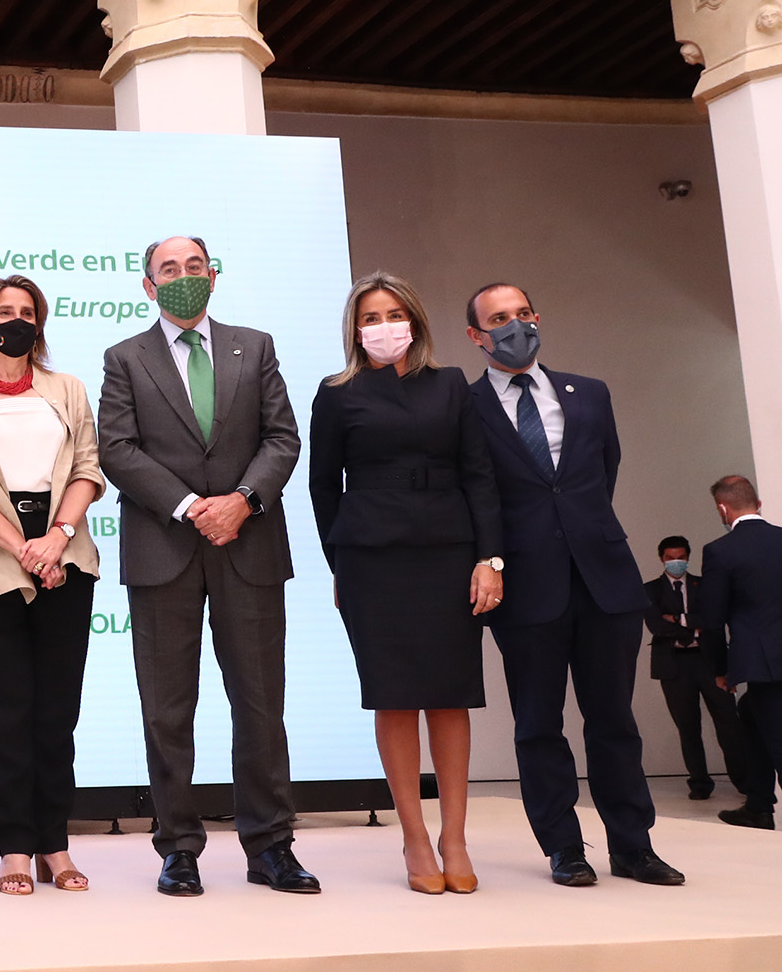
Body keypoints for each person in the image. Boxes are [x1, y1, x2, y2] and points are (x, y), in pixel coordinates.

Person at [96, 235, 315, 898]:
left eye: (195, 266)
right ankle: (179, 847)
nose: (184, 276)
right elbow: (117, 450)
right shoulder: (124, 358)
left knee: (259, 703)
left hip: (248, 545)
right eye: (169, 269)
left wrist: (243, 502)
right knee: (166, 710)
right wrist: (192, 505)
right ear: (148, 284)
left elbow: (283, 437)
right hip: (164, 549)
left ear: (213, 276)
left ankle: (271, 844)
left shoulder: (257, 345)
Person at [464, 283, 682, 886]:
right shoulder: (467, 405)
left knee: (614, 719)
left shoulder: (590, 393)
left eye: (522, 314)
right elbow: (475, 493)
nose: (515, 325)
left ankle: (634, 847)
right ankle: (564, 847)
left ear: (537, 317)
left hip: (604, 581)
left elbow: (601, 475)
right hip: (525, 588)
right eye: (499, 319)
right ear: (476, 336)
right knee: (538, 723)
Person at [308, 273, 502, 894]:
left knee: (449, 695)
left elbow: (479, 473)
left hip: (449, 552)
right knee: (393, 695)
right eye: (370, 317)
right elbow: (322, 488)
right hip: (371, 558)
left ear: (414, 321)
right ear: (354, 329)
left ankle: (455, 836)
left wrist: (489, 559)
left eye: (394, 313)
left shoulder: (450, 385)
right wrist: (340, 565)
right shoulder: (336, 393)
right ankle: (415, 836)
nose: (383, 325)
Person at [0, 277, 104, 895]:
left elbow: (88, 466)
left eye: (27, 313)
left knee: (57, 714)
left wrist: (56, 538)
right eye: (4, 313)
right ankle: (13, 846)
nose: (16, 322)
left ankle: (55, 844)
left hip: (65, 554)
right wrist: (25, 550)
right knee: (4, 714)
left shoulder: (69, 389)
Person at [694, 476, 782, 831]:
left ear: (722, 509)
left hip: (760, 661)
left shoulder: (721, 550)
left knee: (776, 732)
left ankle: (759, 806)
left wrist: (722, 669)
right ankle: (758, 805)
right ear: (758, 504)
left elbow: (712, 620)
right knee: (752, 714)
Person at [644, 534, 750, 803]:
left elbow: (713, 620)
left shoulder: (704, 586)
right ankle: (700, 782)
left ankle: (744, 780)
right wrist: (692, 624)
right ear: (661, 559)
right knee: (687, 726)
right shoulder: (650, 590)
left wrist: (678, 619)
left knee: (729, 722)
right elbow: (656, 625)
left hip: (709, 661)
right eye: (670, 558)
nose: (676, 562)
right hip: (674, 665)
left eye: (680, 557)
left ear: (688, 557)